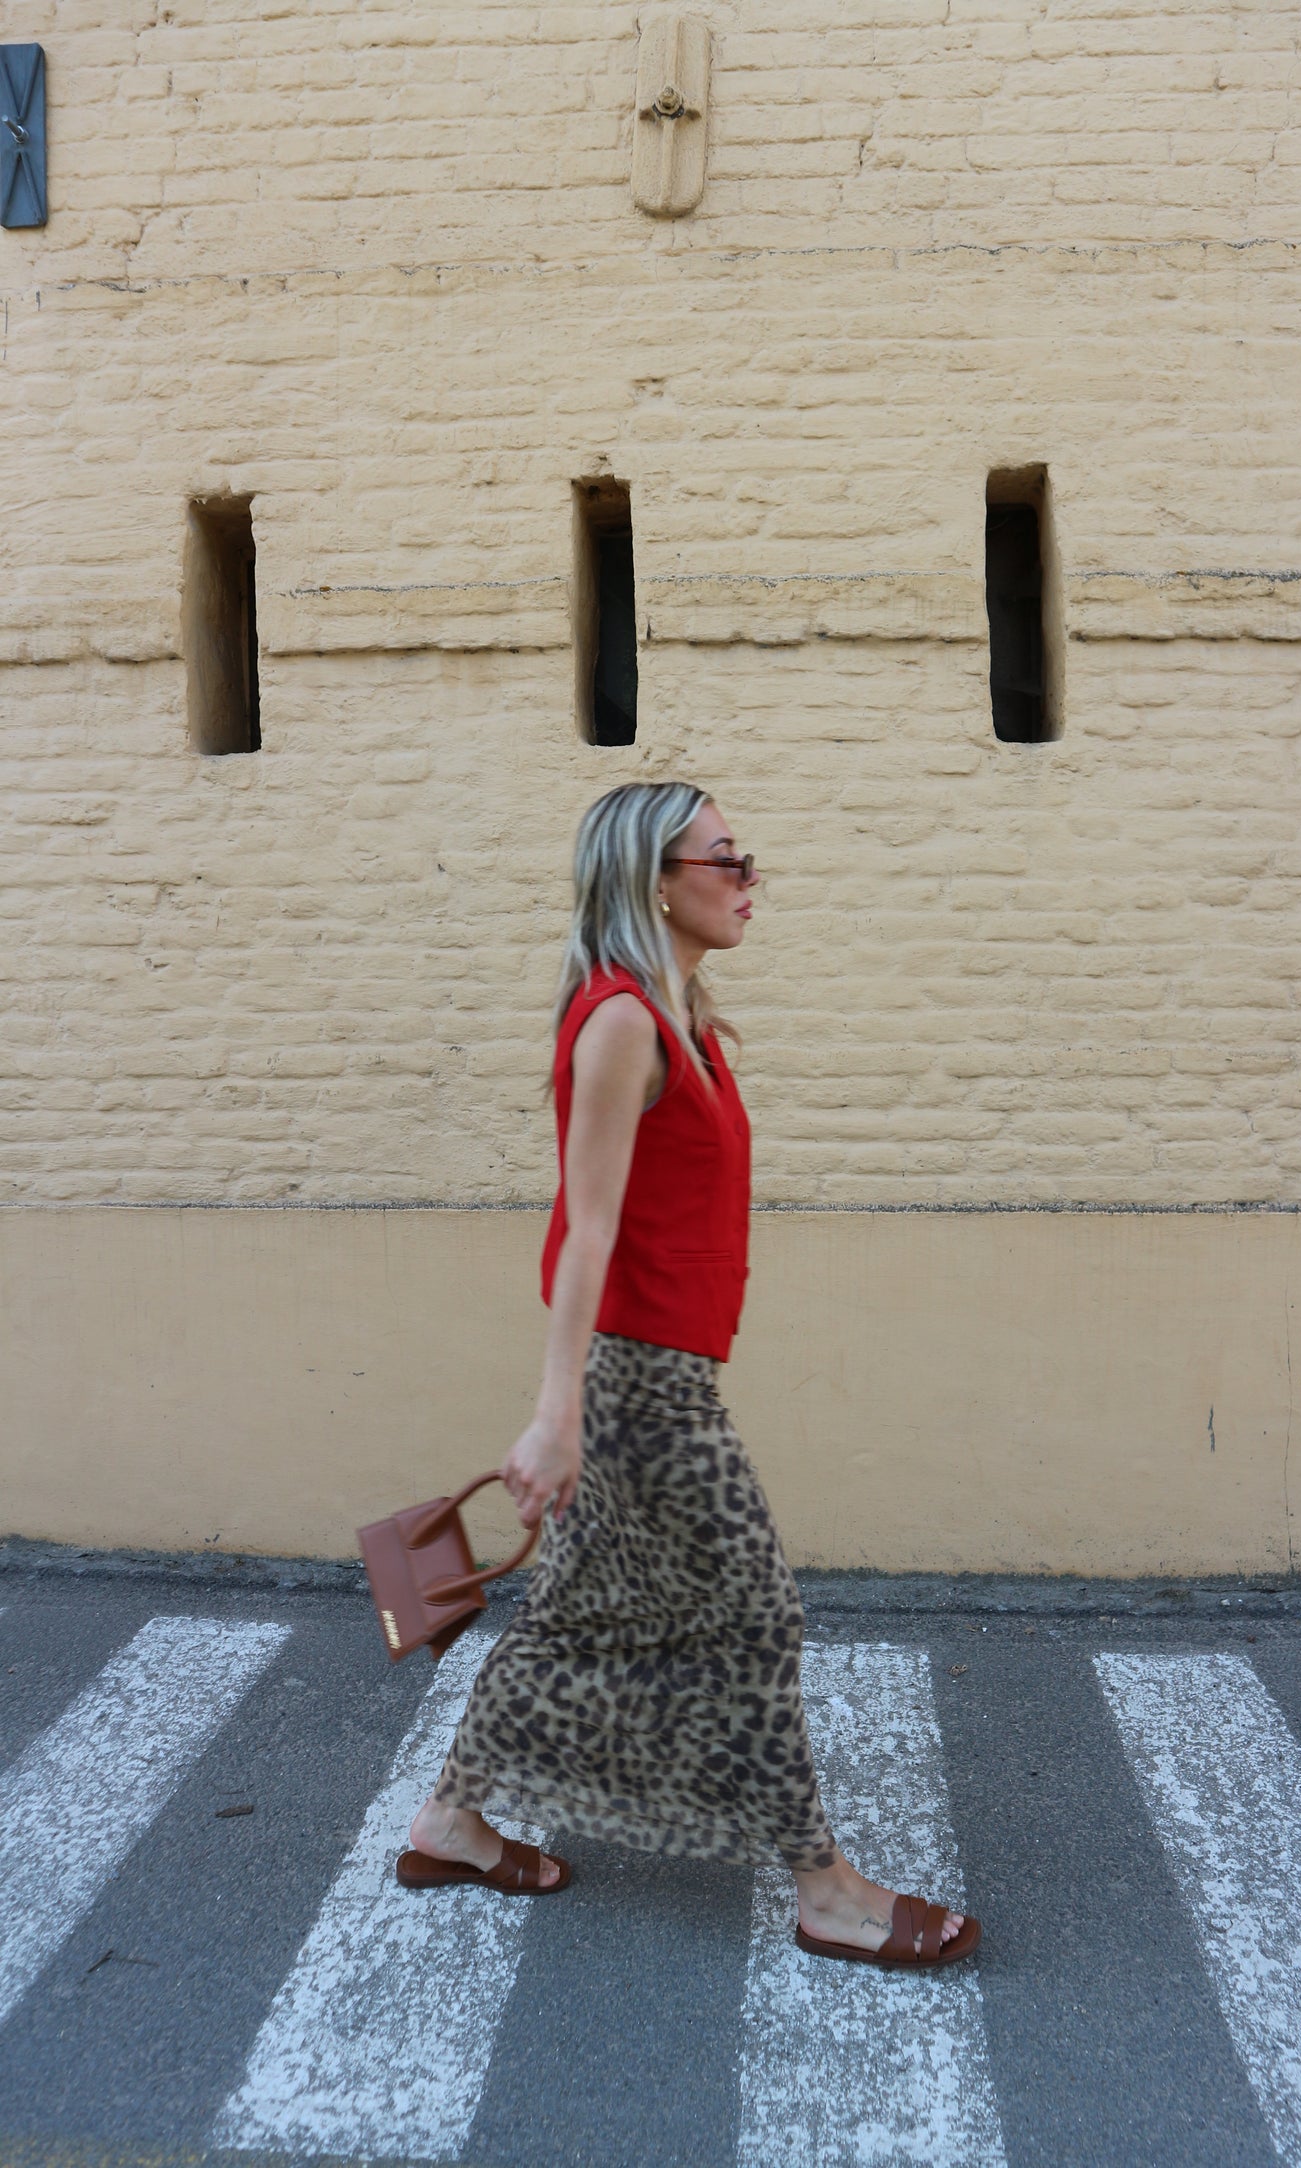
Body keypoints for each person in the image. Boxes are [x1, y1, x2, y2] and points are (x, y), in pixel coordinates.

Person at [399, 780, 980, 1968]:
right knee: (755, 1615)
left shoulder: (683, 1018)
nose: (748, 876)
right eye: (727, 857)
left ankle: (449, 1820)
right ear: (653, 879)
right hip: (640, 1387)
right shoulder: (620, 1021)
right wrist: (557, 1412)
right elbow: (587, 1227)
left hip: (663, 1371)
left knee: (575, 1613)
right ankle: (827, 1889)